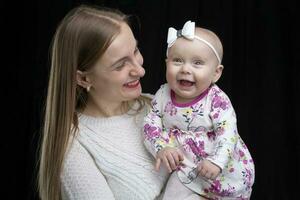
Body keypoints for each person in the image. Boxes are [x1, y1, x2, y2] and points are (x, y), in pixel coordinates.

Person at [38, 5, 169, 200]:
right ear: (84, 79)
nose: (140, 70)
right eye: (120, 65)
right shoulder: (74, 149)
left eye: (136, 51)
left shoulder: (156, 106)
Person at [143, 20, 255, 200]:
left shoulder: (216, 100)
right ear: (166, 64)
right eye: (177, 60)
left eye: (197, 63)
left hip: (222, 170)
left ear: (216, 73)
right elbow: (150, 124)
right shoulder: (163, 94)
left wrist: (216, 162)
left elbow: (228, 133)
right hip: (188, 169)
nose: (185, 69)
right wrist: (161, 148)